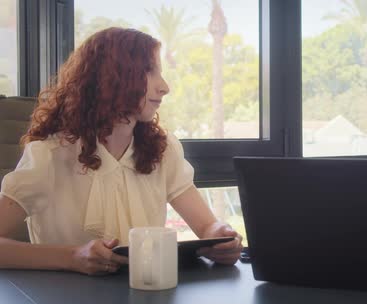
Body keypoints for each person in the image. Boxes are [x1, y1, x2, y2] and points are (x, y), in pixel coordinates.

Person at [0, 27, 242, 275]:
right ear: (112, 77)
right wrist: (73, 257)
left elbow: (208, 227)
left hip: (148, 297)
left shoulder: (163, 149)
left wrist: (222, 238)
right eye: (150, 70)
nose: (165, 86)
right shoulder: (48, 156)